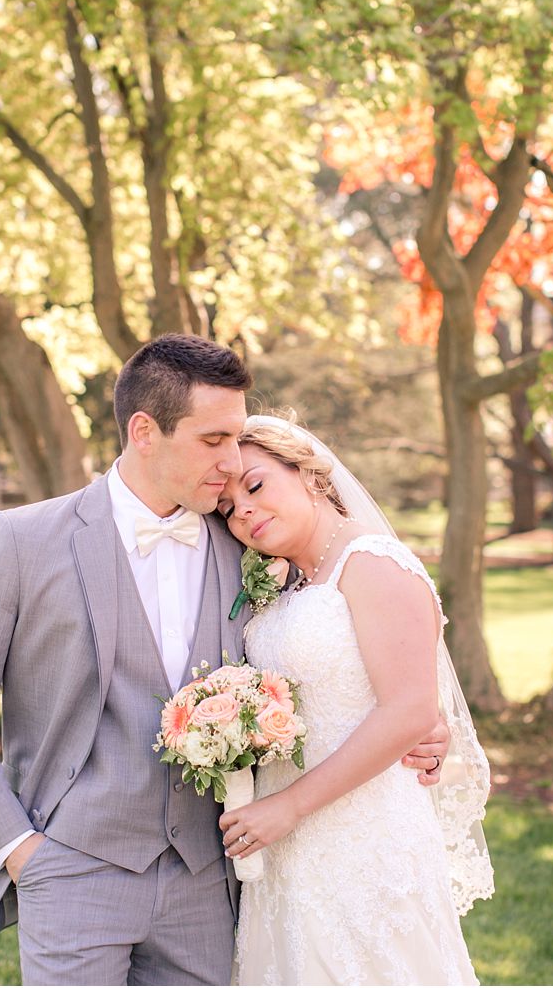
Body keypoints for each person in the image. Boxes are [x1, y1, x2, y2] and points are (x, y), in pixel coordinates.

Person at [0, 334, 449, 986]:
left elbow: (327, 659)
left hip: (208, 881)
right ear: (145, 431)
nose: (232, 460)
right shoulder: (25, 541)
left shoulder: (249, 546)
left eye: (237, 439)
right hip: (72, 869)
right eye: (214, 440)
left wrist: (420, 721)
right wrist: (17, 850)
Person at [216, 415, 495, 986]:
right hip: (288, 846)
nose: (241, 510)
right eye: (226, 507)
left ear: (310, 474)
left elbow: (410, 711)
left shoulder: (372, 564)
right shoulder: (283, 583)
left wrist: (288, 806)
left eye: (256, 485)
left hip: (363, 835)